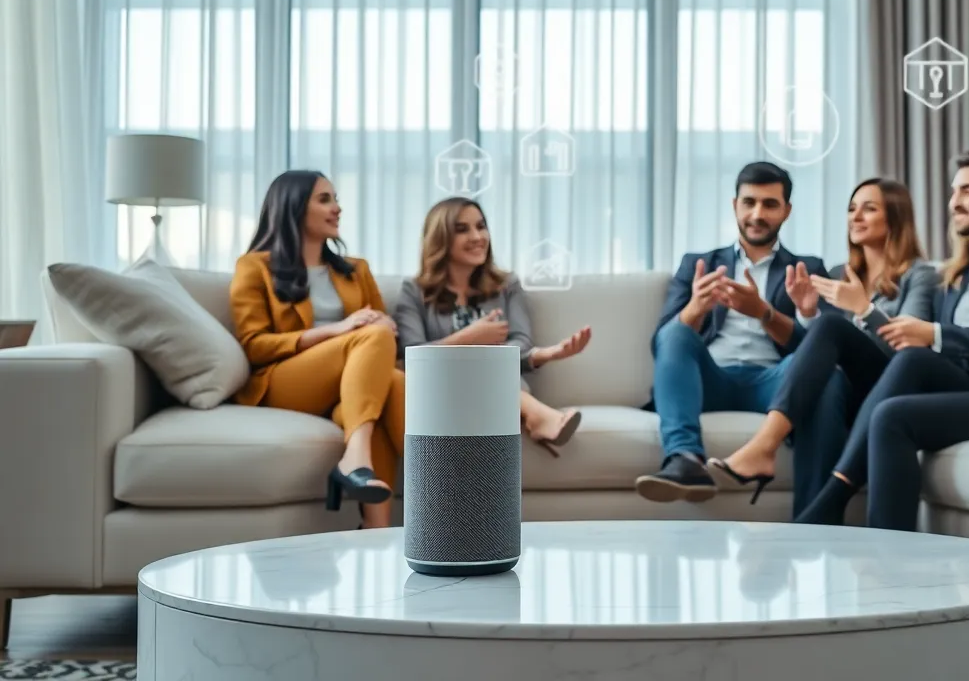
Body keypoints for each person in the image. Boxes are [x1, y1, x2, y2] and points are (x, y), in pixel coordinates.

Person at [794, 151, 969, 530]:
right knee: (912, 361)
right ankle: (835, 505)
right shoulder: (959, 275)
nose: (955, 202)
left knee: (891, 416)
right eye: (954, 192)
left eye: (968, 191)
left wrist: (935, 334)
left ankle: (845, 510)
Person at [706, 177, 939, 516]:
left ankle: (764, 446)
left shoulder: (920, 275)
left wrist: (864, 309)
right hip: (848, 390)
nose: (855, 217)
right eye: (851, 209)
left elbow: (910, 352)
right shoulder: (837, 274)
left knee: (832, 327)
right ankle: (813, 523)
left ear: (895, 217)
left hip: (892, 384)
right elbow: (821, 353)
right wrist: (807, 313)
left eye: (869, 209)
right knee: (827, 383)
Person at [634, 161, 849, 504]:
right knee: (675, 333)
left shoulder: (808, 269)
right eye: (749, 202)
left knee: (831, 378)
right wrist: (696, 309)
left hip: (776, 384)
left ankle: (815, 512)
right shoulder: (697, 263)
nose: (757, 214)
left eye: (770, 204)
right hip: (708, 380)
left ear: (787, 211)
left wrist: (767, 313)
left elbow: (820, 354)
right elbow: (663, 343)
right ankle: (685, 460)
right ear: (735, 205)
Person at [229, 170, 404, 529]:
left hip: (353, 386)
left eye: (335, 198)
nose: (337, 208)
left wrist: (383, 325)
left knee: (391, 381)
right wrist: (340, 330)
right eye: (325, 199)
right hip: (288, 382)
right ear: (293, 208)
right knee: (373, 342)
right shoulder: (254, 267)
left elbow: (382, 332)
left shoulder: (357, 270)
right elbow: (254, 346)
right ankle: (363, 461)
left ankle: (377, 530)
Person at [394, 196, 592, 456]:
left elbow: (520, 342)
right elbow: (411, 357)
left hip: (500, 382)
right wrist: (469, 338)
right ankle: (537, 415)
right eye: (462, 229)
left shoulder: (507, 284)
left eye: (481, 226)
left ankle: (534, 414)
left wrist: (544, 354)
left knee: (490, 368)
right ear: (440, 239)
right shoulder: (414, 290)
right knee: (473, 368)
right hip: (442, 389)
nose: (478, 236)